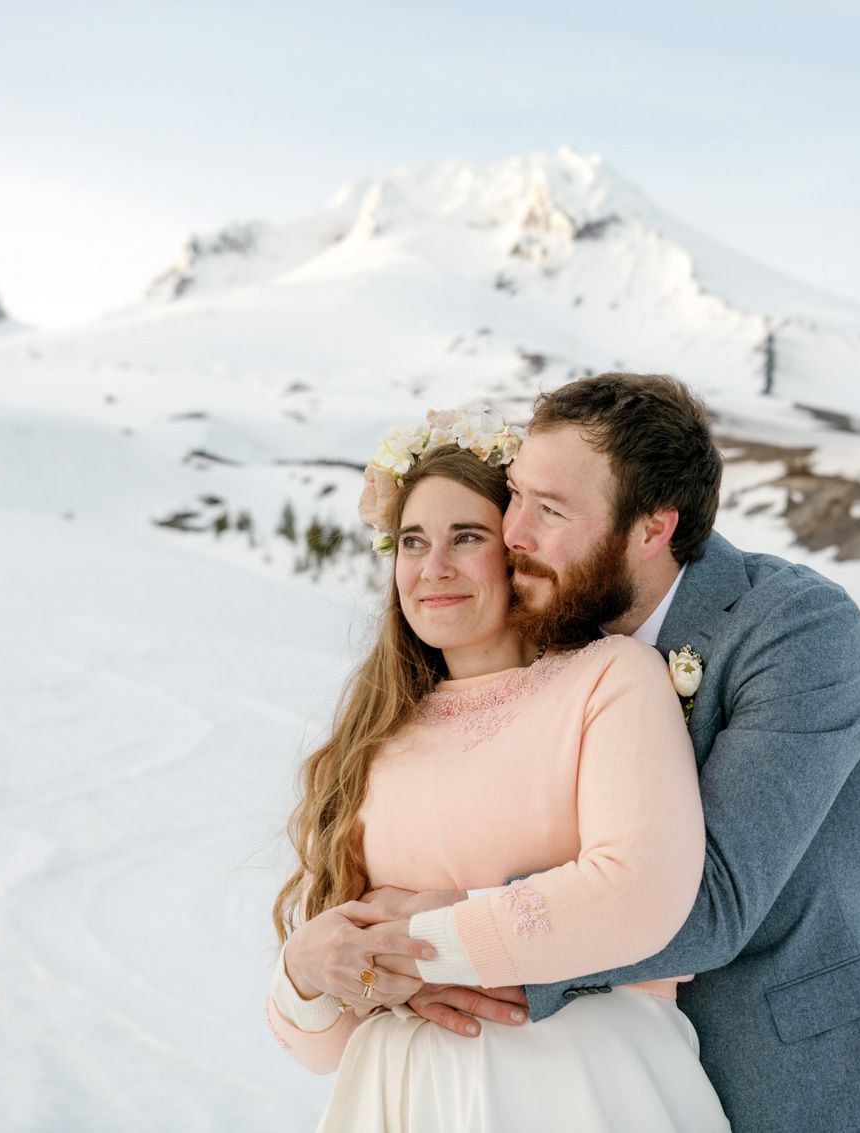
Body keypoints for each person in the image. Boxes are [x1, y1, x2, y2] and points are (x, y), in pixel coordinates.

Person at [286, 374, 860, 1133]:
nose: (514, 532)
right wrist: (371, 962)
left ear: (651, 529)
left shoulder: (797, 630)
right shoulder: (566, 628)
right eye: (516, 497)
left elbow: (710, 902)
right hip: (604, 1087)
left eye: (549, 509)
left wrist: (437, 940)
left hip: (799, 1080)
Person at [265, 409, 732, 1131]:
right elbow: (318, 1045)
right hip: (403, 1100)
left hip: (584, 1091)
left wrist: (425, 948)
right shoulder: (374, 738)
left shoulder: (610, 678)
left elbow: (640, 894)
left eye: (467, 538)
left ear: (515, 551)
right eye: (412, 541)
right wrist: (305, 965)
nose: (434, 567)